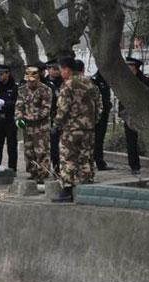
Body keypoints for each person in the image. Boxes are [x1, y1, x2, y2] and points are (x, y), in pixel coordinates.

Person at [53, 57, 102, 203]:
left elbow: (63, 109)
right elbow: (98, 106)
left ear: (67, 69)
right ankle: (86, 189)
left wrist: (56, 124)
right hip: (88, 129)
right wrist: (92, 122)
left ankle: (67, 191)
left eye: (61, 70)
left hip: (71, 129)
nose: (61, 73)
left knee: (68, 158)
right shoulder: (90, 83)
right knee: (85, 158)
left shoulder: (68, 85)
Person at [15, 66, 52, 184]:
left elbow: (46, 109)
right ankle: (33, 172)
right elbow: (19, 105)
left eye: (32, 80)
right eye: (28, 80)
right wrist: (19, 117)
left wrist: (31, 117)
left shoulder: (45, 90)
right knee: (29, 151)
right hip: (27, 127)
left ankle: (42, 173)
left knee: (41, 151)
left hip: (41, 126)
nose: (30, 82)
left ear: (37, 78)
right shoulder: (22, 90)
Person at [119, 56, 149, 175]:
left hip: (144, 116)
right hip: (129, 117)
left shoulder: (145, 81)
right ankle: (134, 166)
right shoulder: (123, 82)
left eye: (131, 67)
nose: (129, 70)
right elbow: (121, 100)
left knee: (148, 140)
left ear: (136, 68)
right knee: (131, 142)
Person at [0, 64, 18, 171]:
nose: (0, 77)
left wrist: (5, 104)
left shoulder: (14, 87)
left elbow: (16, 103)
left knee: (11, 147)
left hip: (10, 120)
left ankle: (12, 168)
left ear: (7, 74)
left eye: (2, 74)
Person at [91, 71, 114, 171]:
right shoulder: (95, 80)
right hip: (96, 115)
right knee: (95, 139)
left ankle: (100, 161)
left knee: (100, 139)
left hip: (104, 114)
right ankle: (95, 161)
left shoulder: (106, 80)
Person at [46, 59, 64, 175]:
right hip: (50, 117)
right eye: (54, 69)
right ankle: (56, 167)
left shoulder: (64, 82)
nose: (57, 72)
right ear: (49, 69)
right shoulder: (45, 83)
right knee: (53, 146)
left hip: (63, 117)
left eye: (58, 69)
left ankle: (64, 168)